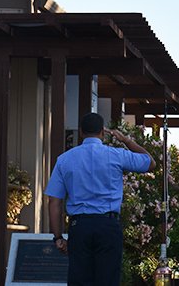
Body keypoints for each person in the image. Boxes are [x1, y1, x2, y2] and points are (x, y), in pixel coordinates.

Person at [45, 112, 155, 286]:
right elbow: (150, 162)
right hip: (108, 226)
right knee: (108, 280)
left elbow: (54, 202)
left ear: (81, 132)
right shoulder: (117, 155)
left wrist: (58, 237)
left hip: (79, 226)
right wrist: (126, 140)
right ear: (103, 133)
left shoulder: (64, 160)